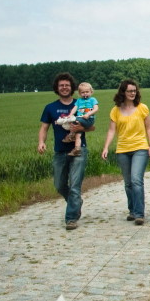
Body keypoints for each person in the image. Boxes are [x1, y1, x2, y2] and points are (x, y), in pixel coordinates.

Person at [38, 72, 88, 230]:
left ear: (72, 87)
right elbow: (44, 128)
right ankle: (76, 202)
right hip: (60, 151)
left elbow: (91, 126)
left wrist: (81, 127)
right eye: (61, 85)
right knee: (59, 184)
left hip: (79, 150)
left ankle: (71, 218)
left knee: (74, 185)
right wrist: (41, 142)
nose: (64, 88)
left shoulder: (81, 104)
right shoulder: (50, 108)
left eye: (67, 85)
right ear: (57, 88)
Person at [101, 79, 150, 225]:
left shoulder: (143, 108)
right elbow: (112, 130)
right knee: (128, 183)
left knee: (136, 180)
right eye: (129, 91)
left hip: (140, 148)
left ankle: (139, 214)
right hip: (122, 149)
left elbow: (149, 127)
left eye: (134, 91)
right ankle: (132, 210)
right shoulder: (115, 110)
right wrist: (106, 147)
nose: (132, 93)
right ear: (123, 92)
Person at [59, 82, 99, 157]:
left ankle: (70, 135)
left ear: (91, 92)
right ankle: (77, 149)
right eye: (82, 92)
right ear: (80, 93)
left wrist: (88, 114)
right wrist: (70, 115)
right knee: (78, 134)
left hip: (89, 120)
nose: (85, 94)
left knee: (74, 120)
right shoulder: (79, 101)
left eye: (87, 92)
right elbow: (75, 108)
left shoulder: (93, 100)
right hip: (80, 120)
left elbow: (96, 109)